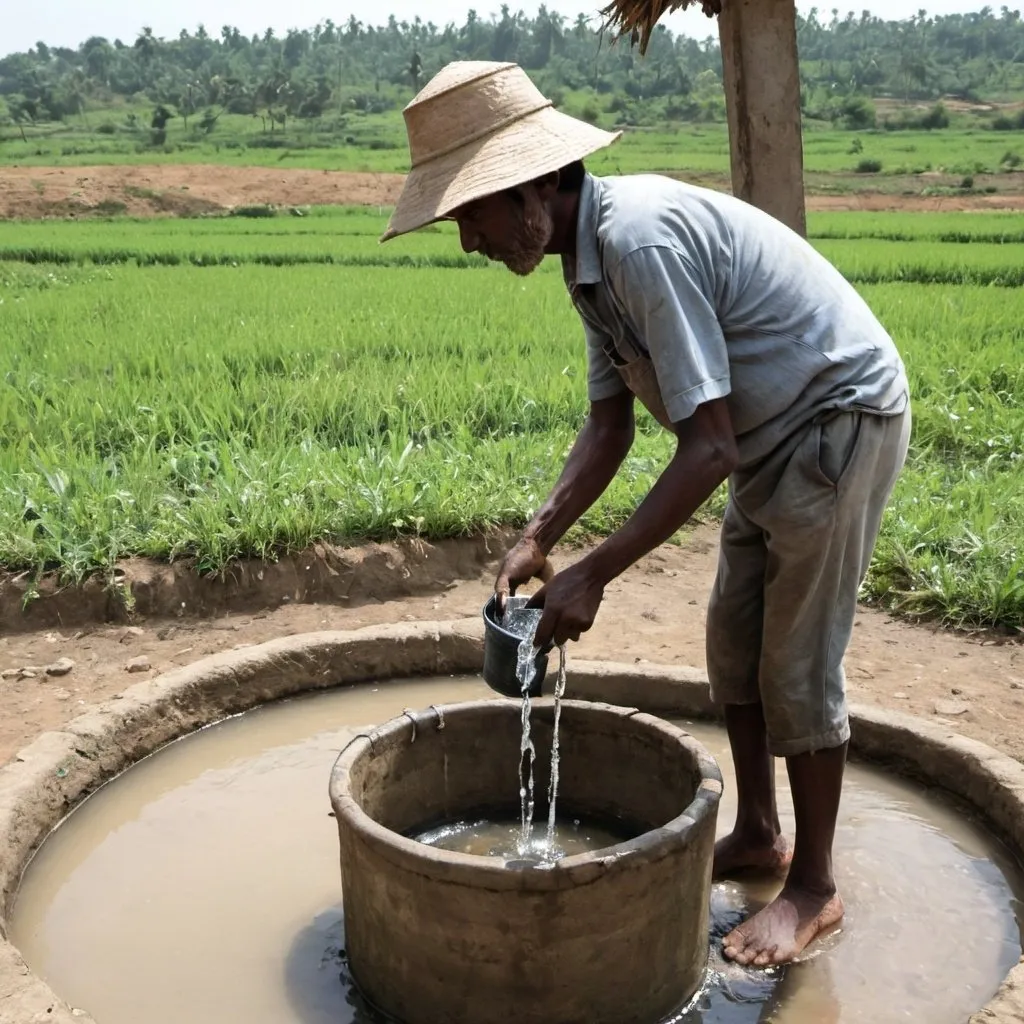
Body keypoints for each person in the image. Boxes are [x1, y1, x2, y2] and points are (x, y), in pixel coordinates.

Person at [382, 60, 911, 967]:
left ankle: (814, 889)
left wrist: (595, 572)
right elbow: (611, 421)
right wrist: (539, 538)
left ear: (533, 185)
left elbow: (708, 447)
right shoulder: (584, 263)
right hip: (765, 431)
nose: (466, 239)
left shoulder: (640, 244)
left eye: (469, 212)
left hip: (832, 422)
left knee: (794, 658)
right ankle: (758, 835)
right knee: (730, 642)